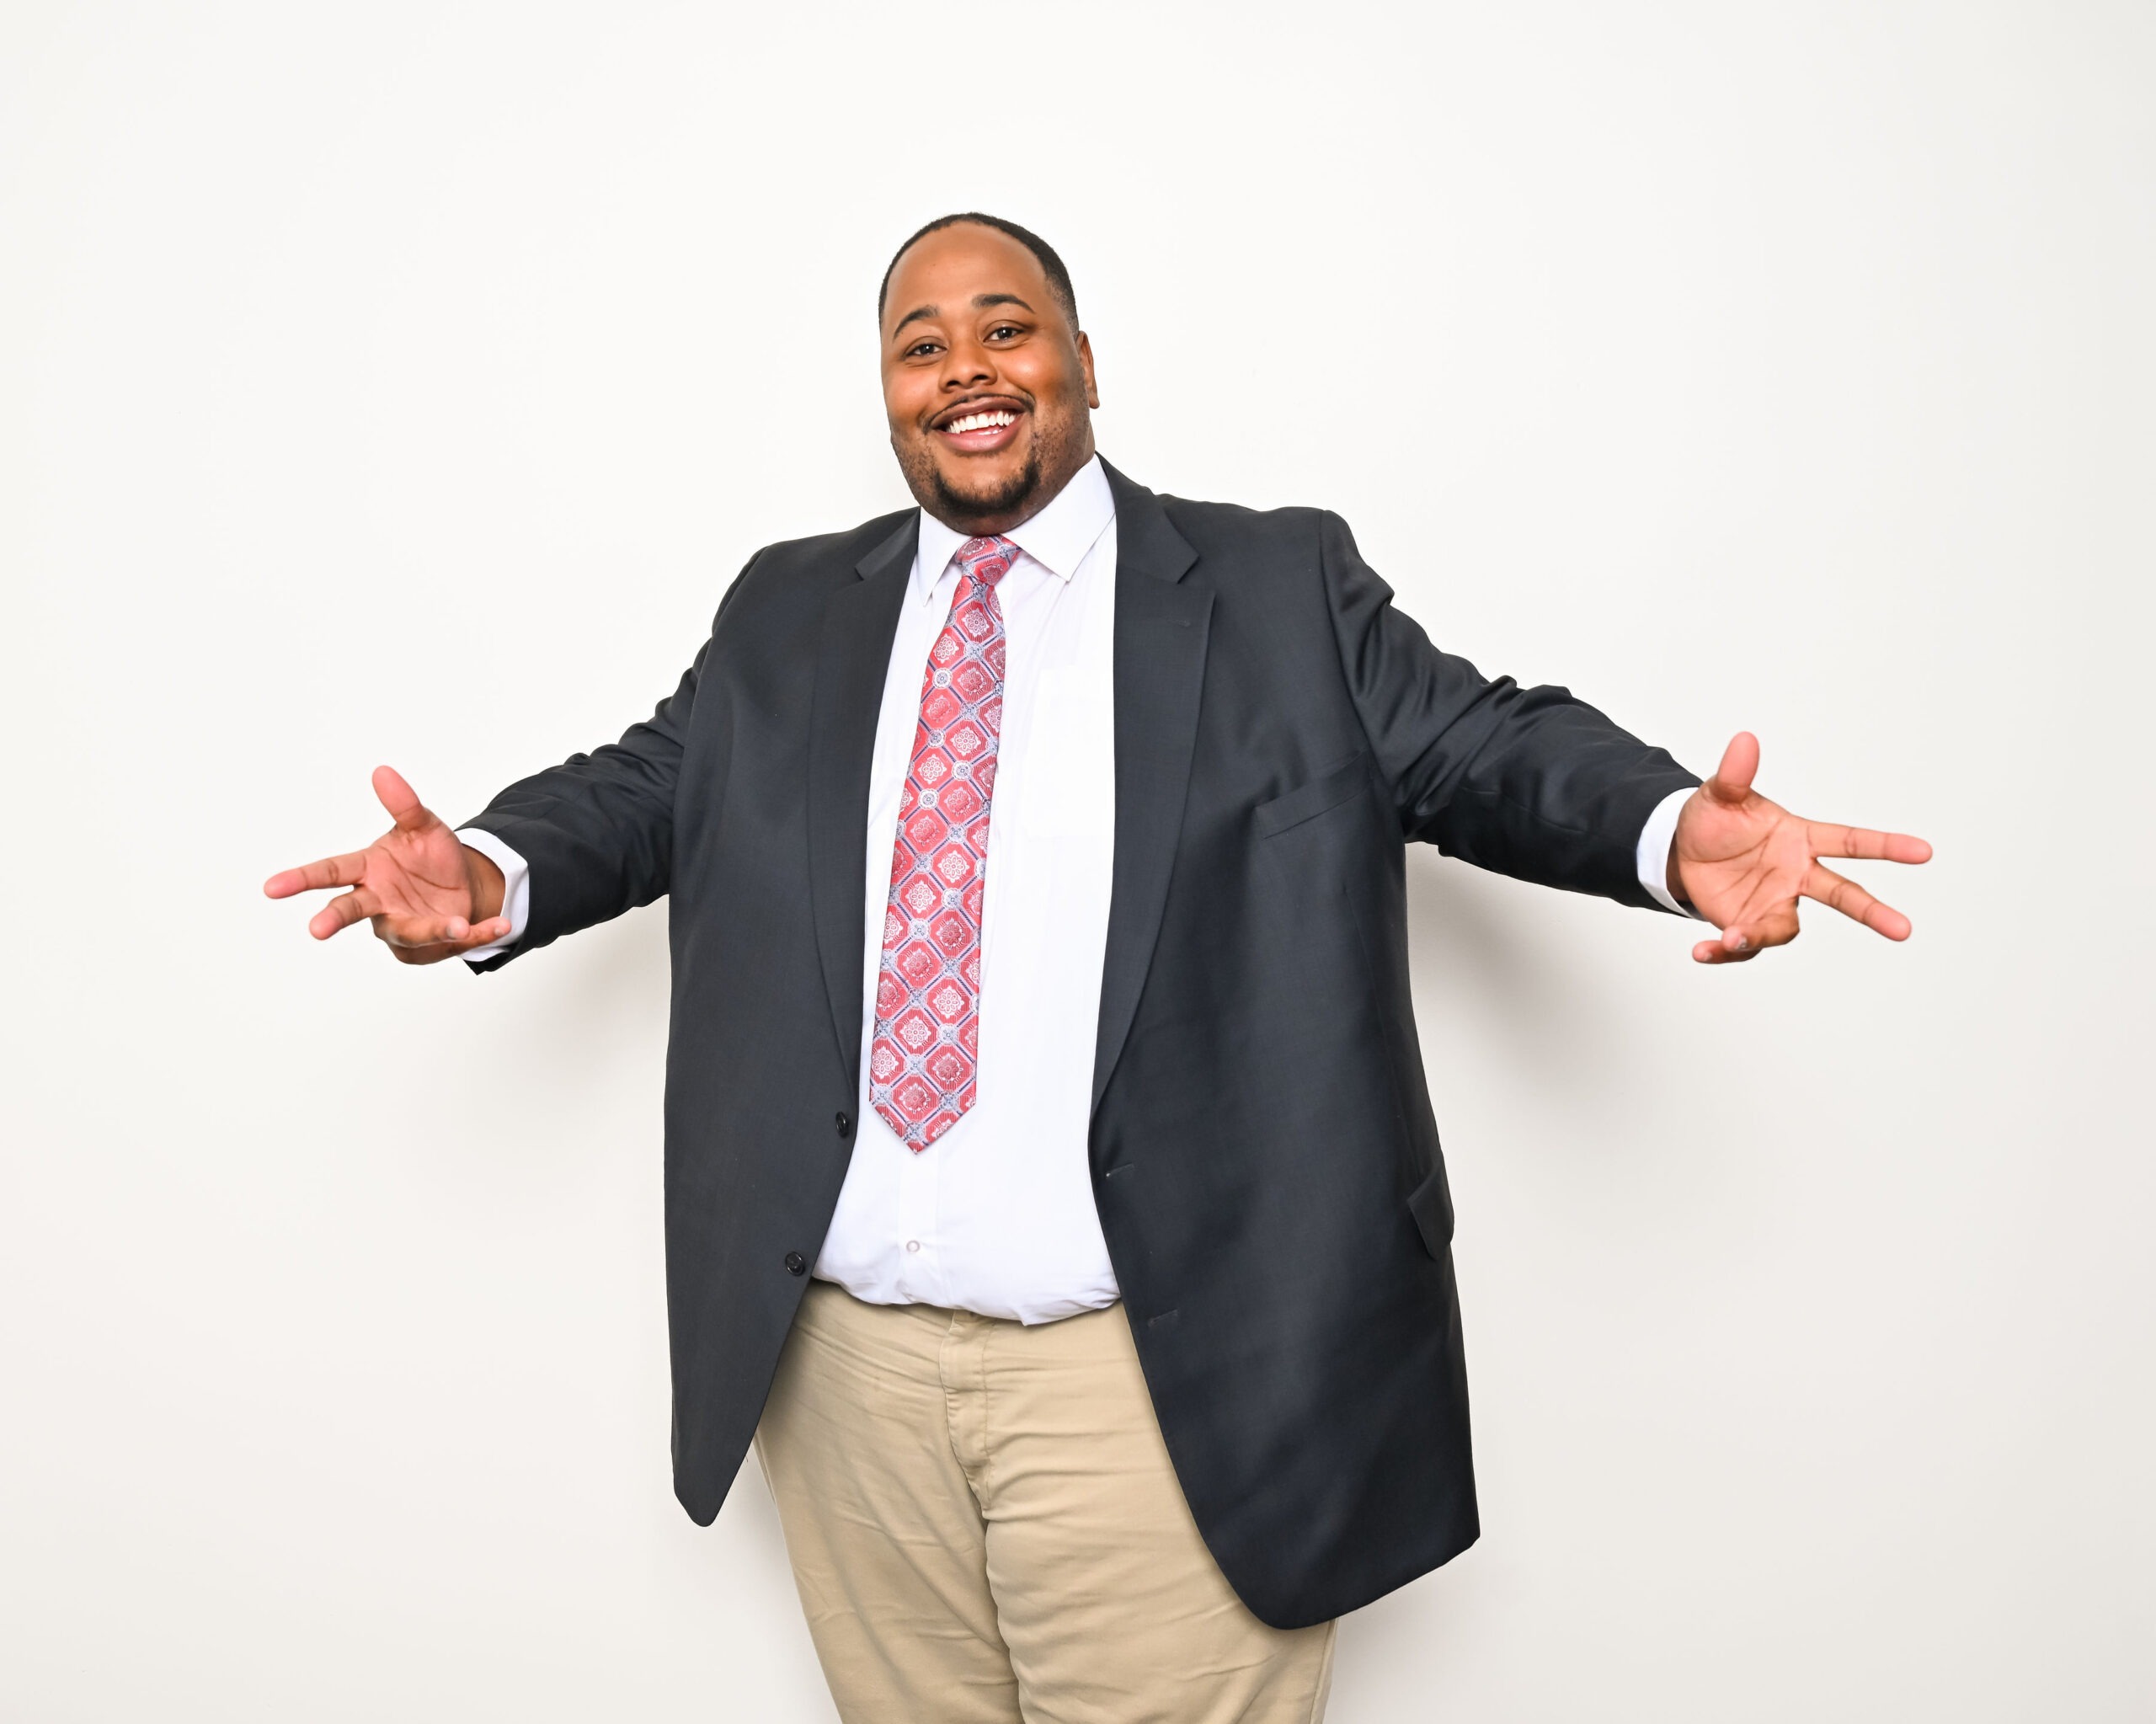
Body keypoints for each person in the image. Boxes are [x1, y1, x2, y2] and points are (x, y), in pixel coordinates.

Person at [266, 212, 1930, 1723]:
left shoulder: (1274, 587)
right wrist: (485, 866)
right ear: (888, 393)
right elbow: (649, 787)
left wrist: (1657, 827)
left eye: (1006, 327)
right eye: (920, 346)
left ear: (1079, 363)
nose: (966, 369)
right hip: (846, 1381)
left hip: (1157, 1376)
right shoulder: (789, 609)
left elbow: (1480, 745)